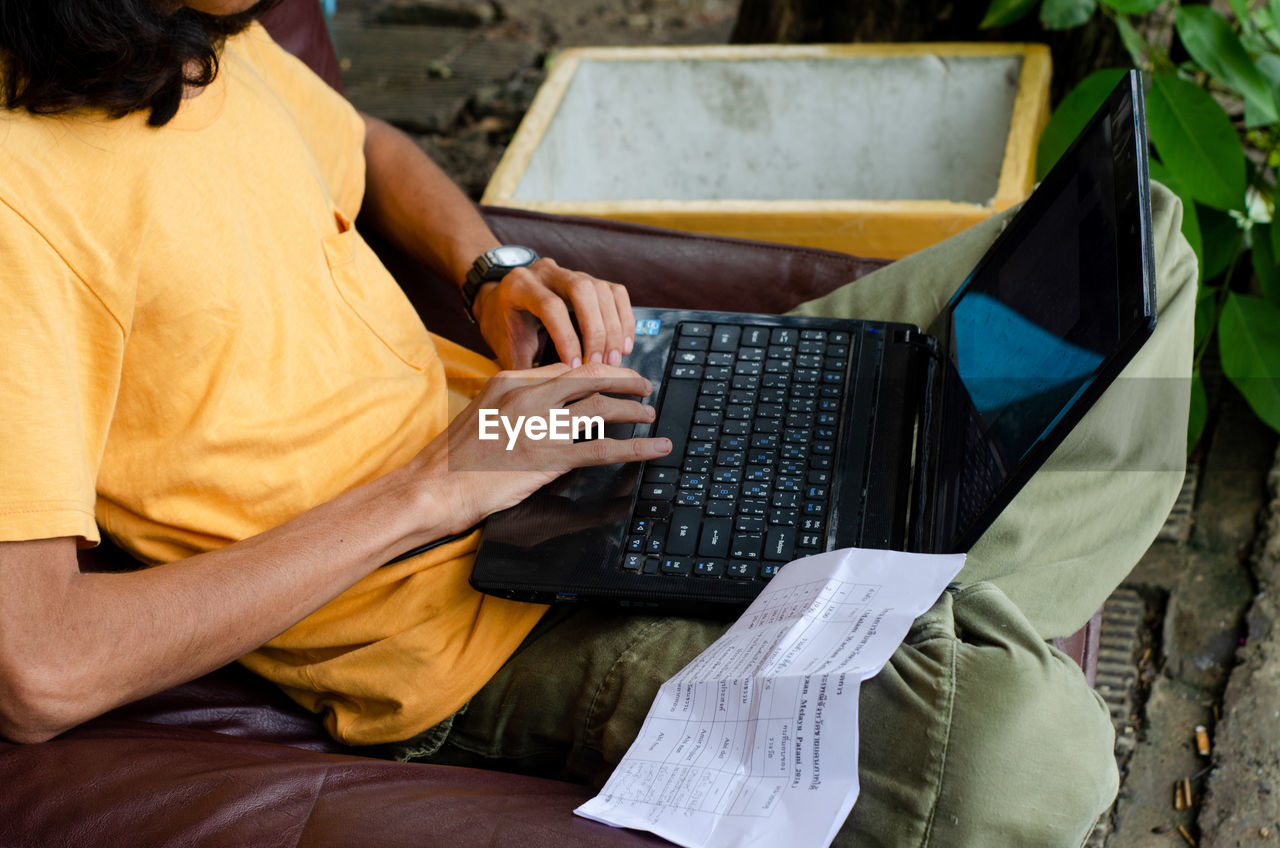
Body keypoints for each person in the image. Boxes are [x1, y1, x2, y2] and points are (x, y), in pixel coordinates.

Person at [0, 0, 1195, 844]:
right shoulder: (20, 204)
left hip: (541, 431)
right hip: (464, 623)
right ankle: (893, 592)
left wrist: (494, 269)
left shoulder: (194, 31)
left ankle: (865, 583)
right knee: (1028, 753)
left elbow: (365, 143)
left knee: (1132, 237)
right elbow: (39, 668)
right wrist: (435, 484)